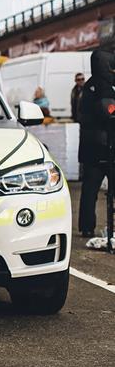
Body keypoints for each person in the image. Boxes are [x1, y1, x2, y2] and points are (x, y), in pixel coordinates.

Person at [78, 51, 115, 238]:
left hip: (90, 148)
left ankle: (86, 226)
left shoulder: (88, 86)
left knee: (89, 190)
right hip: (107, 146)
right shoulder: (106, 86)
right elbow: (109, 113)